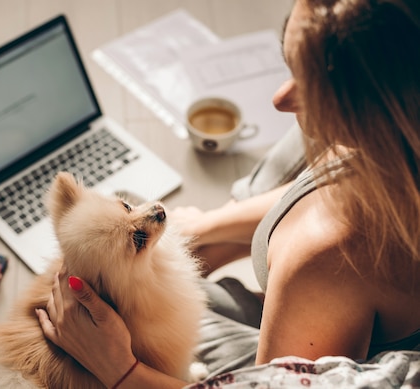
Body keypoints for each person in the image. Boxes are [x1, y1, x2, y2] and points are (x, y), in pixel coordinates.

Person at [35, 0, 420, 387]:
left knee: (170, 305)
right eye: (290, 67)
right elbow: (332, 178)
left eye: (314, 88)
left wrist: (120, 368)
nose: (281, 99)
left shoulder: (322, 259)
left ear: (381, 110)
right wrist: (205, 225)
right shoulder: (392, 144)